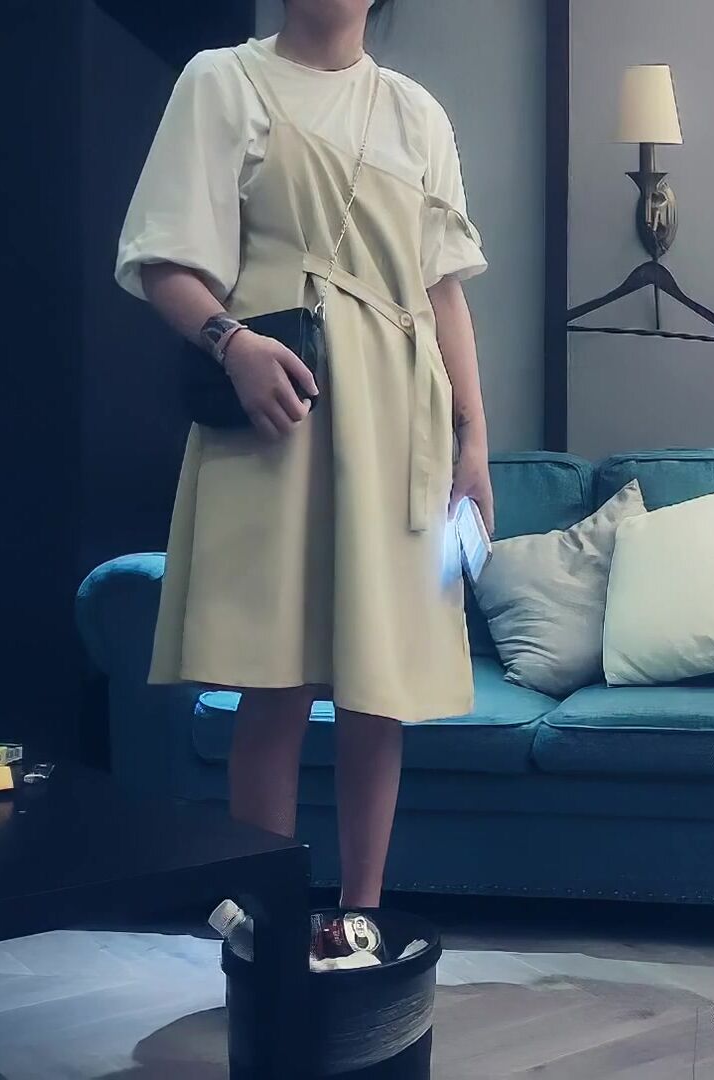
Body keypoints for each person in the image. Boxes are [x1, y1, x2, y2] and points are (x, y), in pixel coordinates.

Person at [115, 0, 493, 908]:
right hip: (283, 408)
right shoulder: (223, 81)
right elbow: (162, 258)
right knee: (273, 683)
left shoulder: (417, 113)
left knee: (379, 688)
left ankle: (363, 916)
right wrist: (231, 343)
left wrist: (475, 440)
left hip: (400, 419)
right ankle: (271, 920)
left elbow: (442, 290)